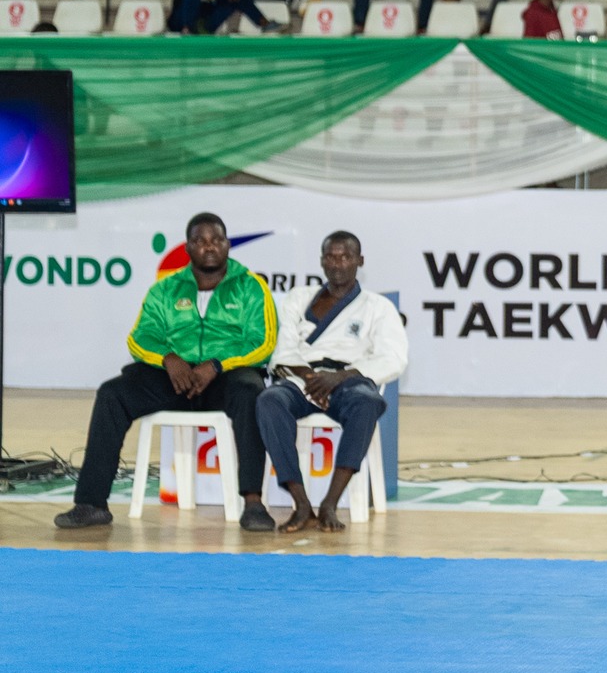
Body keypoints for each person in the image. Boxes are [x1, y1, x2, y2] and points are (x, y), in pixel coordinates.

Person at [53, 212, 279, 533]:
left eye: (216, 239)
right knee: (112, 393)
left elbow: (262, 342)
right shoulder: (166, 288)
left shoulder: (251, 287)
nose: (209, 246)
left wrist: (216, 365)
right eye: (200, 241)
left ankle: (254, 503)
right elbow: (140, 337)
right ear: (187, 248)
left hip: (225, 378)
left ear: (228, 245)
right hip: (175, 379)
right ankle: (91, 503)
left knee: (252, 392)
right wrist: (168, 358)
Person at [258, 231, 408, 533]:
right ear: (322, 260)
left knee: (369, 403)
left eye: (345, 256)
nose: (337, 263)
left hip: (349, 378)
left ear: (359, 261)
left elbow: (393, 358)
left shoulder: (377, 307)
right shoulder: (299, 298)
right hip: (302, 377)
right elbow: (284, 346)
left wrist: (338, 378)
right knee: (269, 401)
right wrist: (313, 380)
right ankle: (300, 503)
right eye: (330, 256)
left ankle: (330, 503)